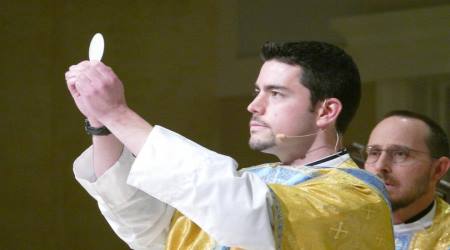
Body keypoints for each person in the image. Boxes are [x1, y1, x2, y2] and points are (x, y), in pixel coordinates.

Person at [65, 41, 394, 249]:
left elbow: (242, 211)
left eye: (275, 93)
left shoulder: (356, 198)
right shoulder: (257, 182)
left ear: (326, 111)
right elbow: (153, 231)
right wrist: (102, 124)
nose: (254, 106)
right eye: (257, 92)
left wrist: (119, 113)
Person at [364, 110, 450, 250]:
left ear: (438, 169)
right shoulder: (337, 223)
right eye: (374, 153)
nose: (380, 166)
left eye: (400, 154)